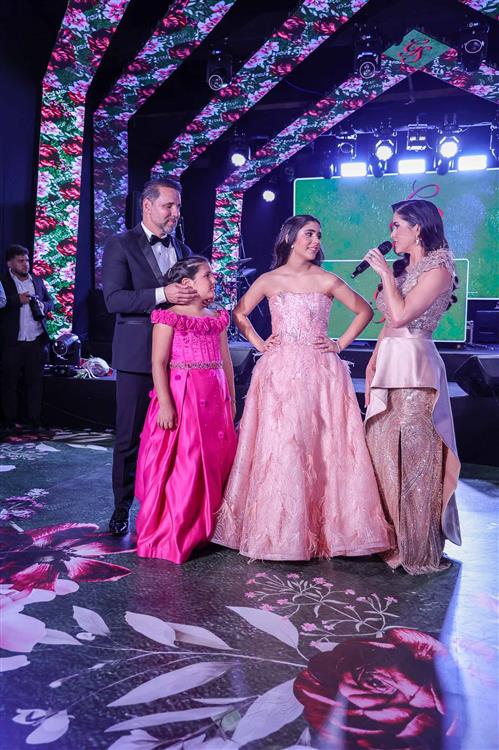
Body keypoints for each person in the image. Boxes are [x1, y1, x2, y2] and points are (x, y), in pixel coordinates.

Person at [213, 215, 393, 561]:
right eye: (309, 234)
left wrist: (339, 344)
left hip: (321, 372)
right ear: (291, 238)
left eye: (319, 235)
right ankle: (279, 533)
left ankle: (326, 530)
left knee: (321, 446)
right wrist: (259, 343)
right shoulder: (269, 280)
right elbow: (240, 313)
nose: (315, 241)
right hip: (279, 370)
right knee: (283, 444)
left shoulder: (326, 279)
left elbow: (364, 311)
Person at [363, 199, 461, 575]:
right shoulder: (406, 270)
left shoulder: (439, 269)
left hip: (416, 368)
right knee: (383, 451)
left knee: (417, 458)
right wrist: (373, 360)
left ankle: (417, 547)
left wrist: (386, 276)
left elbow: (403, 315)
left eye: (396, 226)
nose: (391, 233)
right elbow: (390, 322)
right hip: (389, 362)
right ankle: (389, 540)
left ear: (417, 228)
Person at [102, 178, 194, 536]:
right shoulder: (121, 244)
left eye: (178, 206)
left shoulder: (183, 248)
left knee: (175, 436)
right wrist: (162, 294)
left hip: (180, 357)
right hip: (137, 356)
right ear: (147, 205)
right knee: (129, 437)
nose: (175, 212)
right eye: (169, 205)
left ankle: (168, 508)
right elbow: (114, 300)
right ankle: (121, 508)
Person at [134, 256, 237, 563]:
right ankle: (179, 528)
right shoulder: (169, 317)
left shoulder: (216, 317)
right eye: (208, 275)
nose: (214, 279)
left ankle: (209, 527)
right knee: (187, 461)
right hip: (184, 396)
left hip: (215, 396)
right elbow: (158, 363)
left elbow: (226, 361)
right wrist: (165, 404)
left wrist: (231, 398)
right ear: (187, 283)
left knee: (216, 459)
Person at [0, 244, 53, 431]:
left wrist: (44, 306)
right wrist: (17, 300)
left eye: (27, 260)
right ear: (10, 263)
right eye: (20, 261)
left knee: (35, 383)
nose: (26, 264)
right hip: (12, 343)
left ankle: (34, 420)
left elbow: (50, 301)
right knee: (9, 383)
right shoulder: (3, 282)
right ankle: (9, 422)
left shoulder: (37, 281)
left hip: (36, 341)